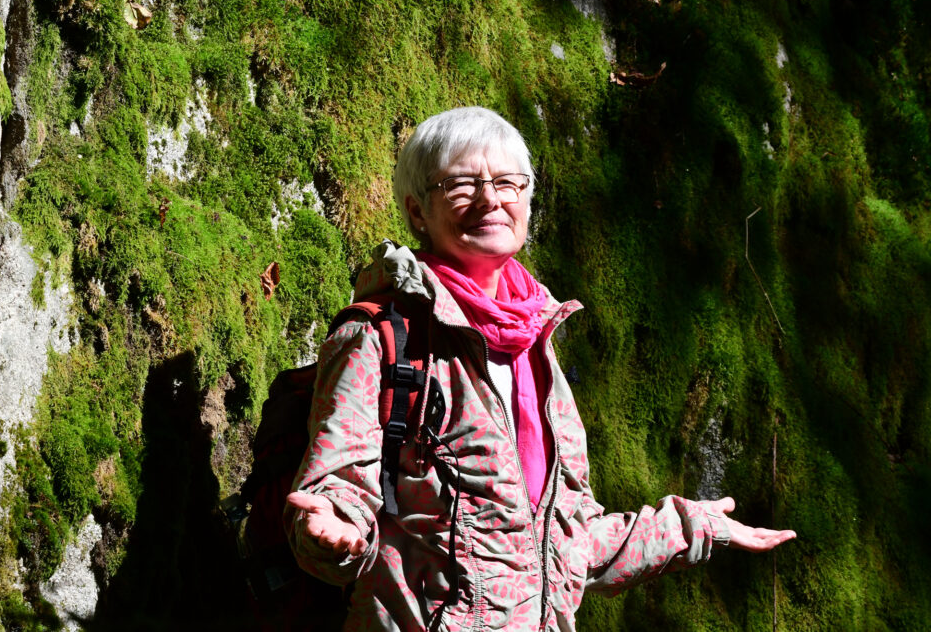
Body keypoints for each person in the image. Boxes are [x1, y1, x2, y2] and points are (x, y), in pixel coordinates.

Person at [285, 106, 795, 631]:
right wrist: (333, 527)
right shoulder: (379, 337)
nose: (490, 199)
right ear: (418, 211)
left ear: (527, 199)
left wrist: (693, 526)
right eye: (461, 184)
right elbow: (336, 492)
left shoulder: (533, 344)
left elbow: (568, 545)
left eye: (508, 183)